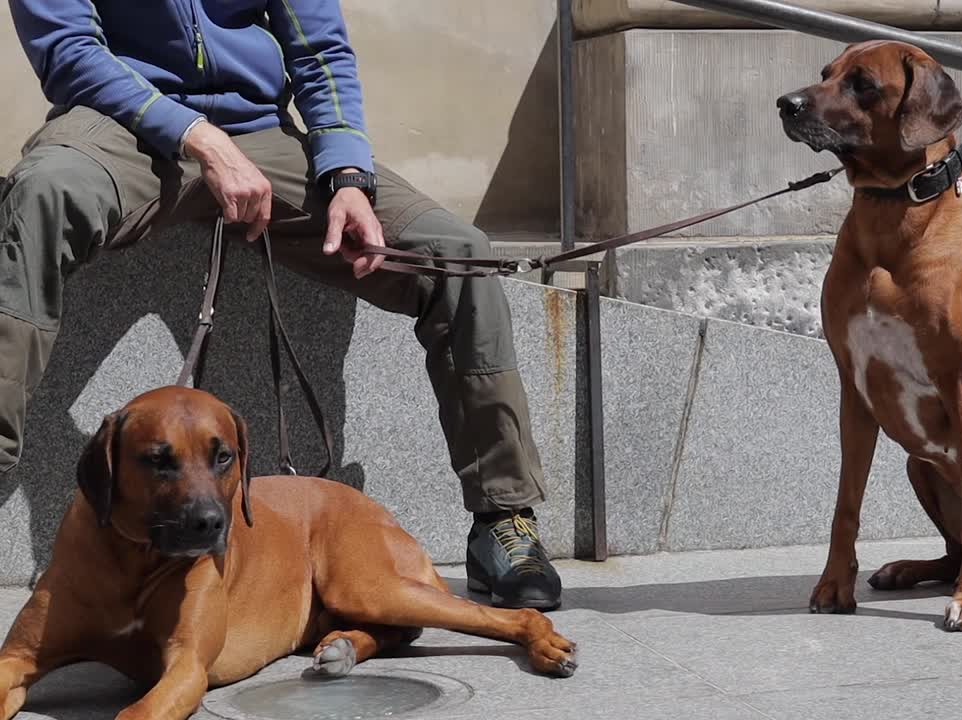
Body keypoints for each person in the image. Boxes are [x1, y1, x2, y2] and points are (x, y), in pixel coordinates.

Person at [2, 0, 562, 611]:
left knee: (455, 252)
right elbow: (70, 52)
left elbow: (320, 51)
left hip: (261, 135)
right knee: (41, 195)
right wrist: (199, 137)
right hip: (117, 126)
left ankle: (502, 517)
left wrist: (347, 175)